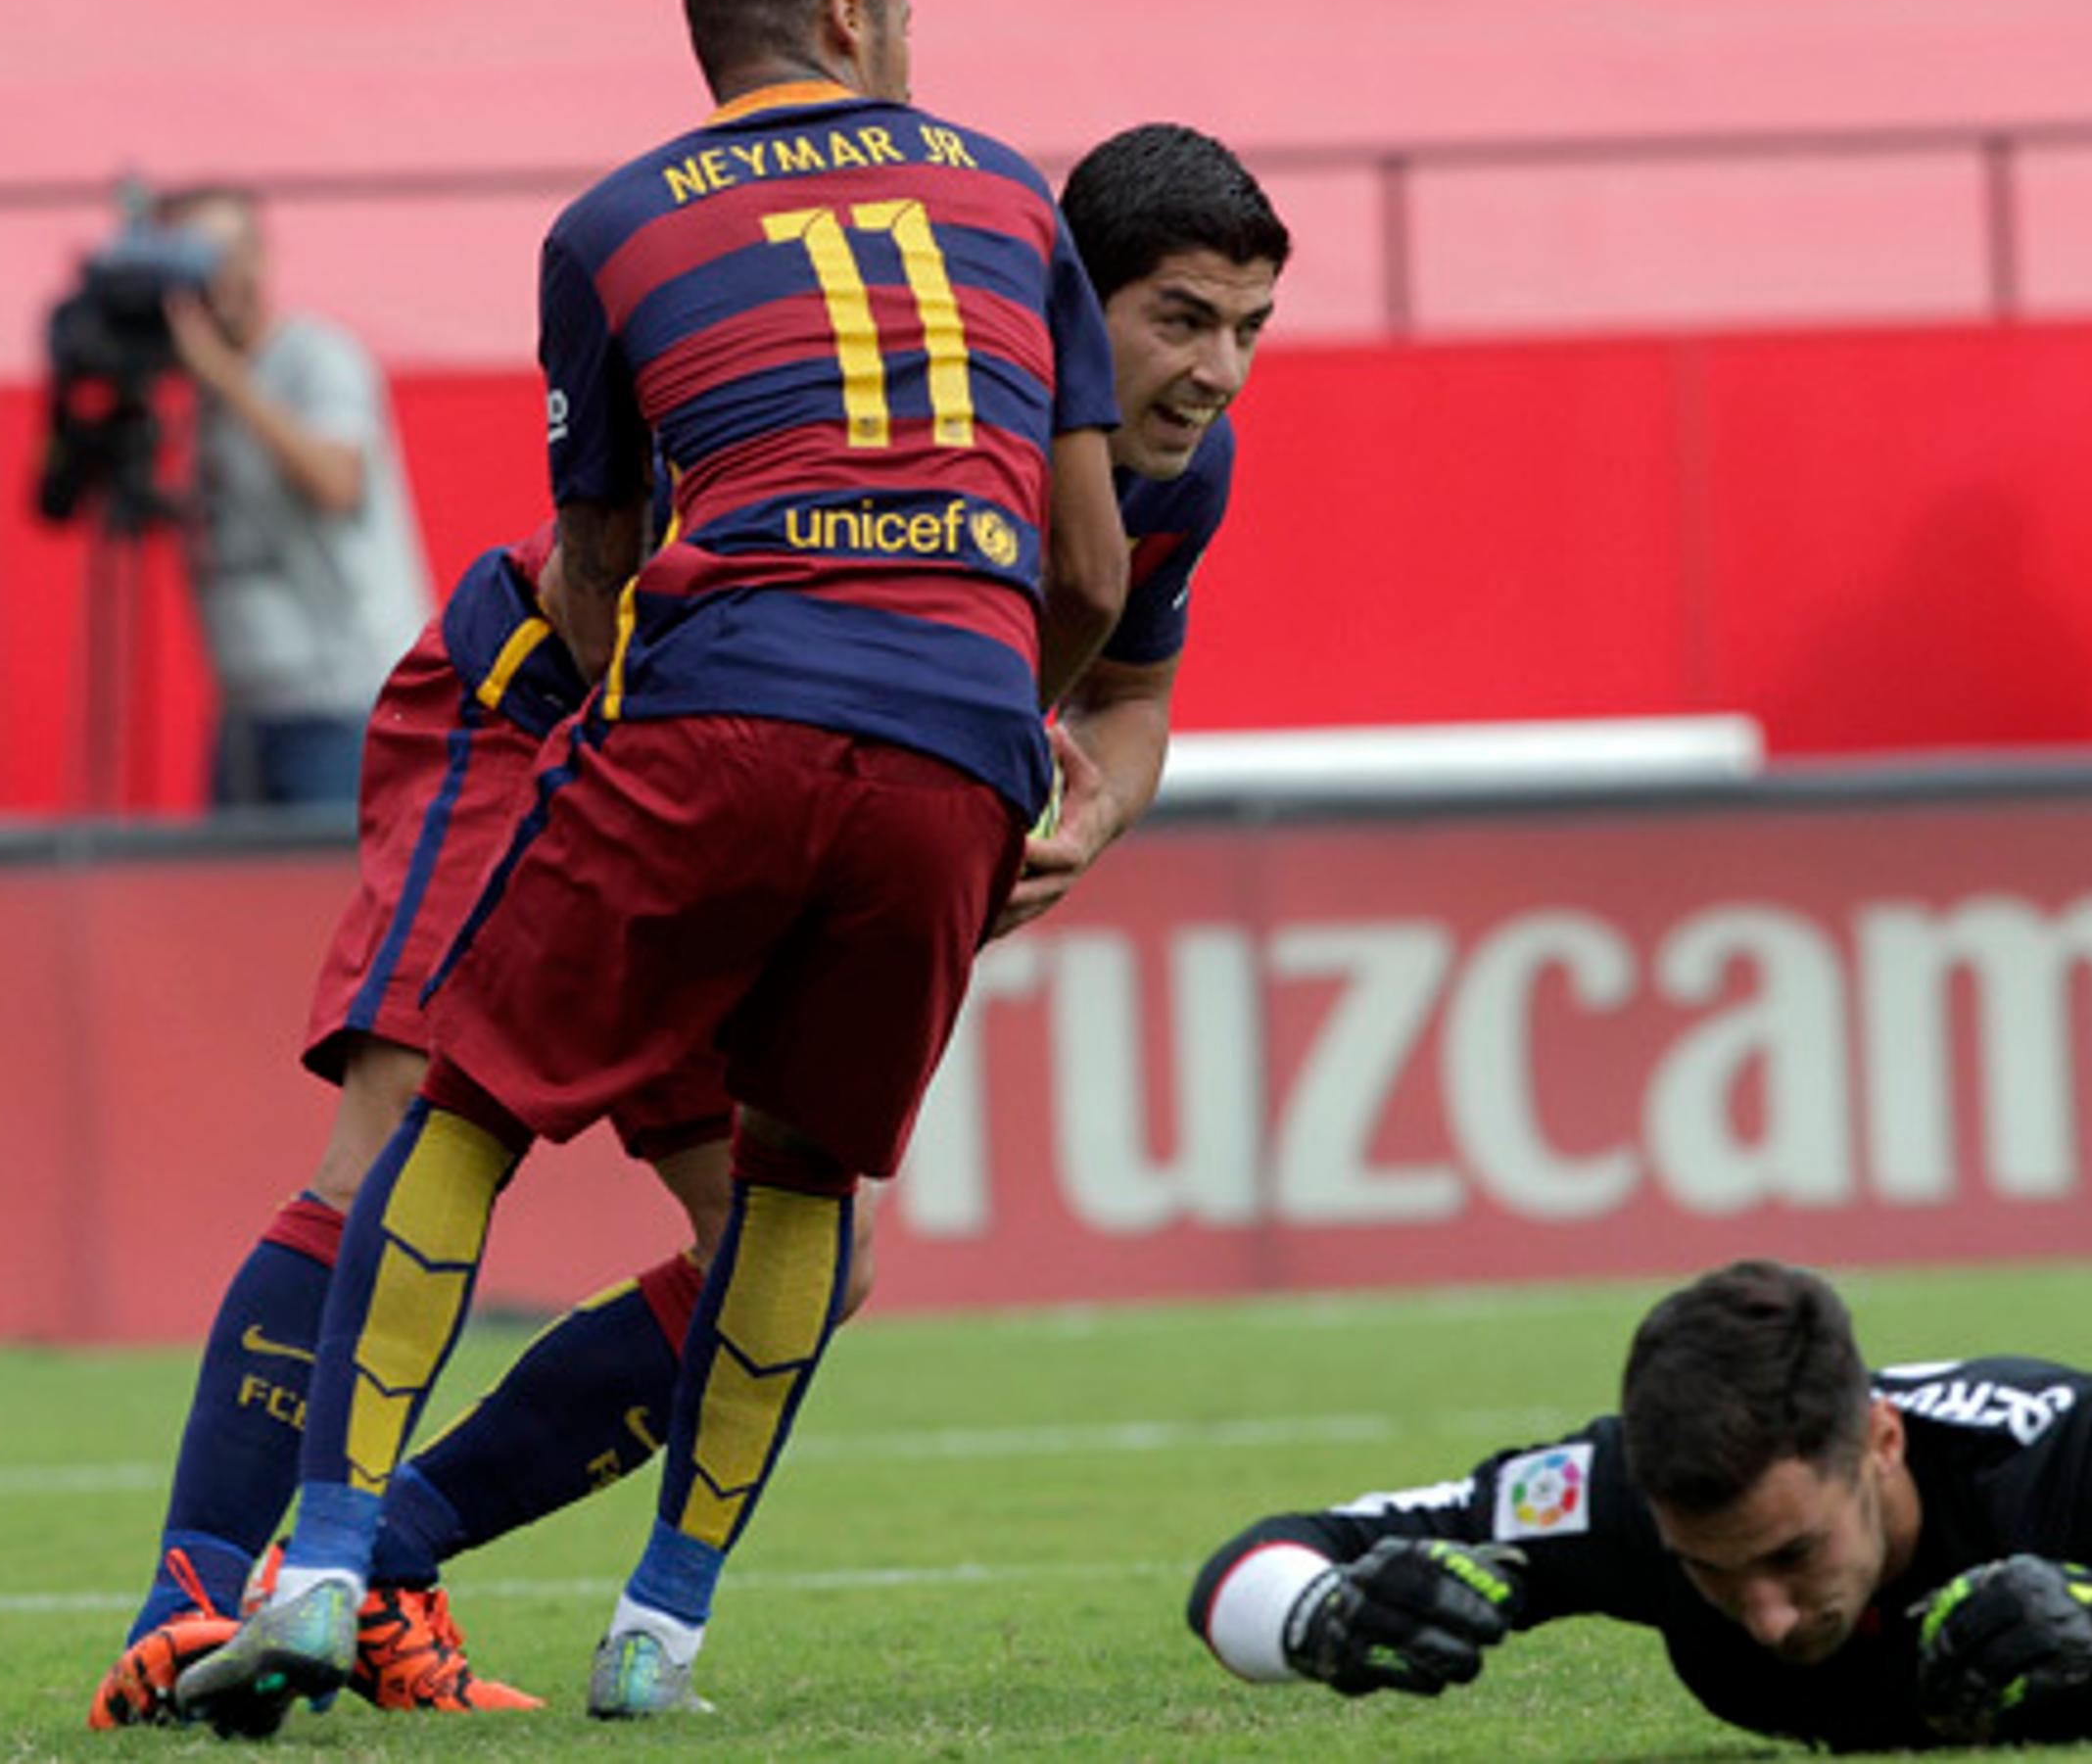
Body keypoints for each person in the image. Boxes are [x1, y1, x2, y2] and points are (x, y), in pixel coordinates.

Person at [81, 118, 1284, 1732]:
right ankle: (197, 1595)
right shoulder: (932, 385)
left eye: (1247, 330)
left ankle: (385, 1556)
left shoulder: (1176, 475)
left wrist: (1091, 810)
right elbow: (614, 558)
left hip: (763, 798)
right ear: (1061, 296)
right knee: (397, 1128)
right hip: (547, 710)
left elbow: (1129, 702)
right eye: (1180, 321)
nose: (1216, 372)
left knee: (808, 1257)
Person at [1189, 1099, 2092, 1747]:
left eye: (1788, 1554)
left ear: (1881, 1447)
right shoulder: (1615, 1496)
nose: (1768, 1620)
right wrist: (1325, 1616)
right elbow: (1245, 1565)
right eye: (1716, 1577)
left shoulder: (2045, 1449)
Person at [146, 185, 435, 812]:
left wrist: (224, 373)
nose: (216, 274)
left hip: (342, 703)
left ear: (262, 257)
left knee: (336, 903)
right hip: (247, 713)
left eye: (226, 252)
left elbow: (337, 480)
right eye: (190, 258)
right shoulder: (193, 391)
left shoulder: (314, 358)